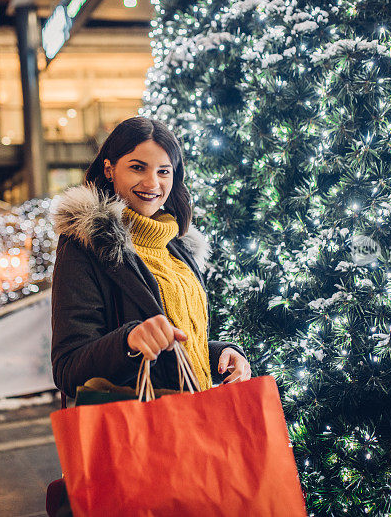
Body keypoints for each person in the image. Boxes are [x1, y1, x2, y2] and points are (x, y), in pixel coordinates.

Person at [49, 116, 251, 400]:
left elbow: (177, 347)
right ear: (109, 169)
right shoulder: (85, 245)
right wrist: (129, 343)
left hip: (195, 422)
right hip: (140, 431)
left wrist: (221, 355)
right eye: (137, 168)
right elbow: (68, 369)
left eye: (164, 171)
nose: (152, 183)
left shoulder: (176, 245)